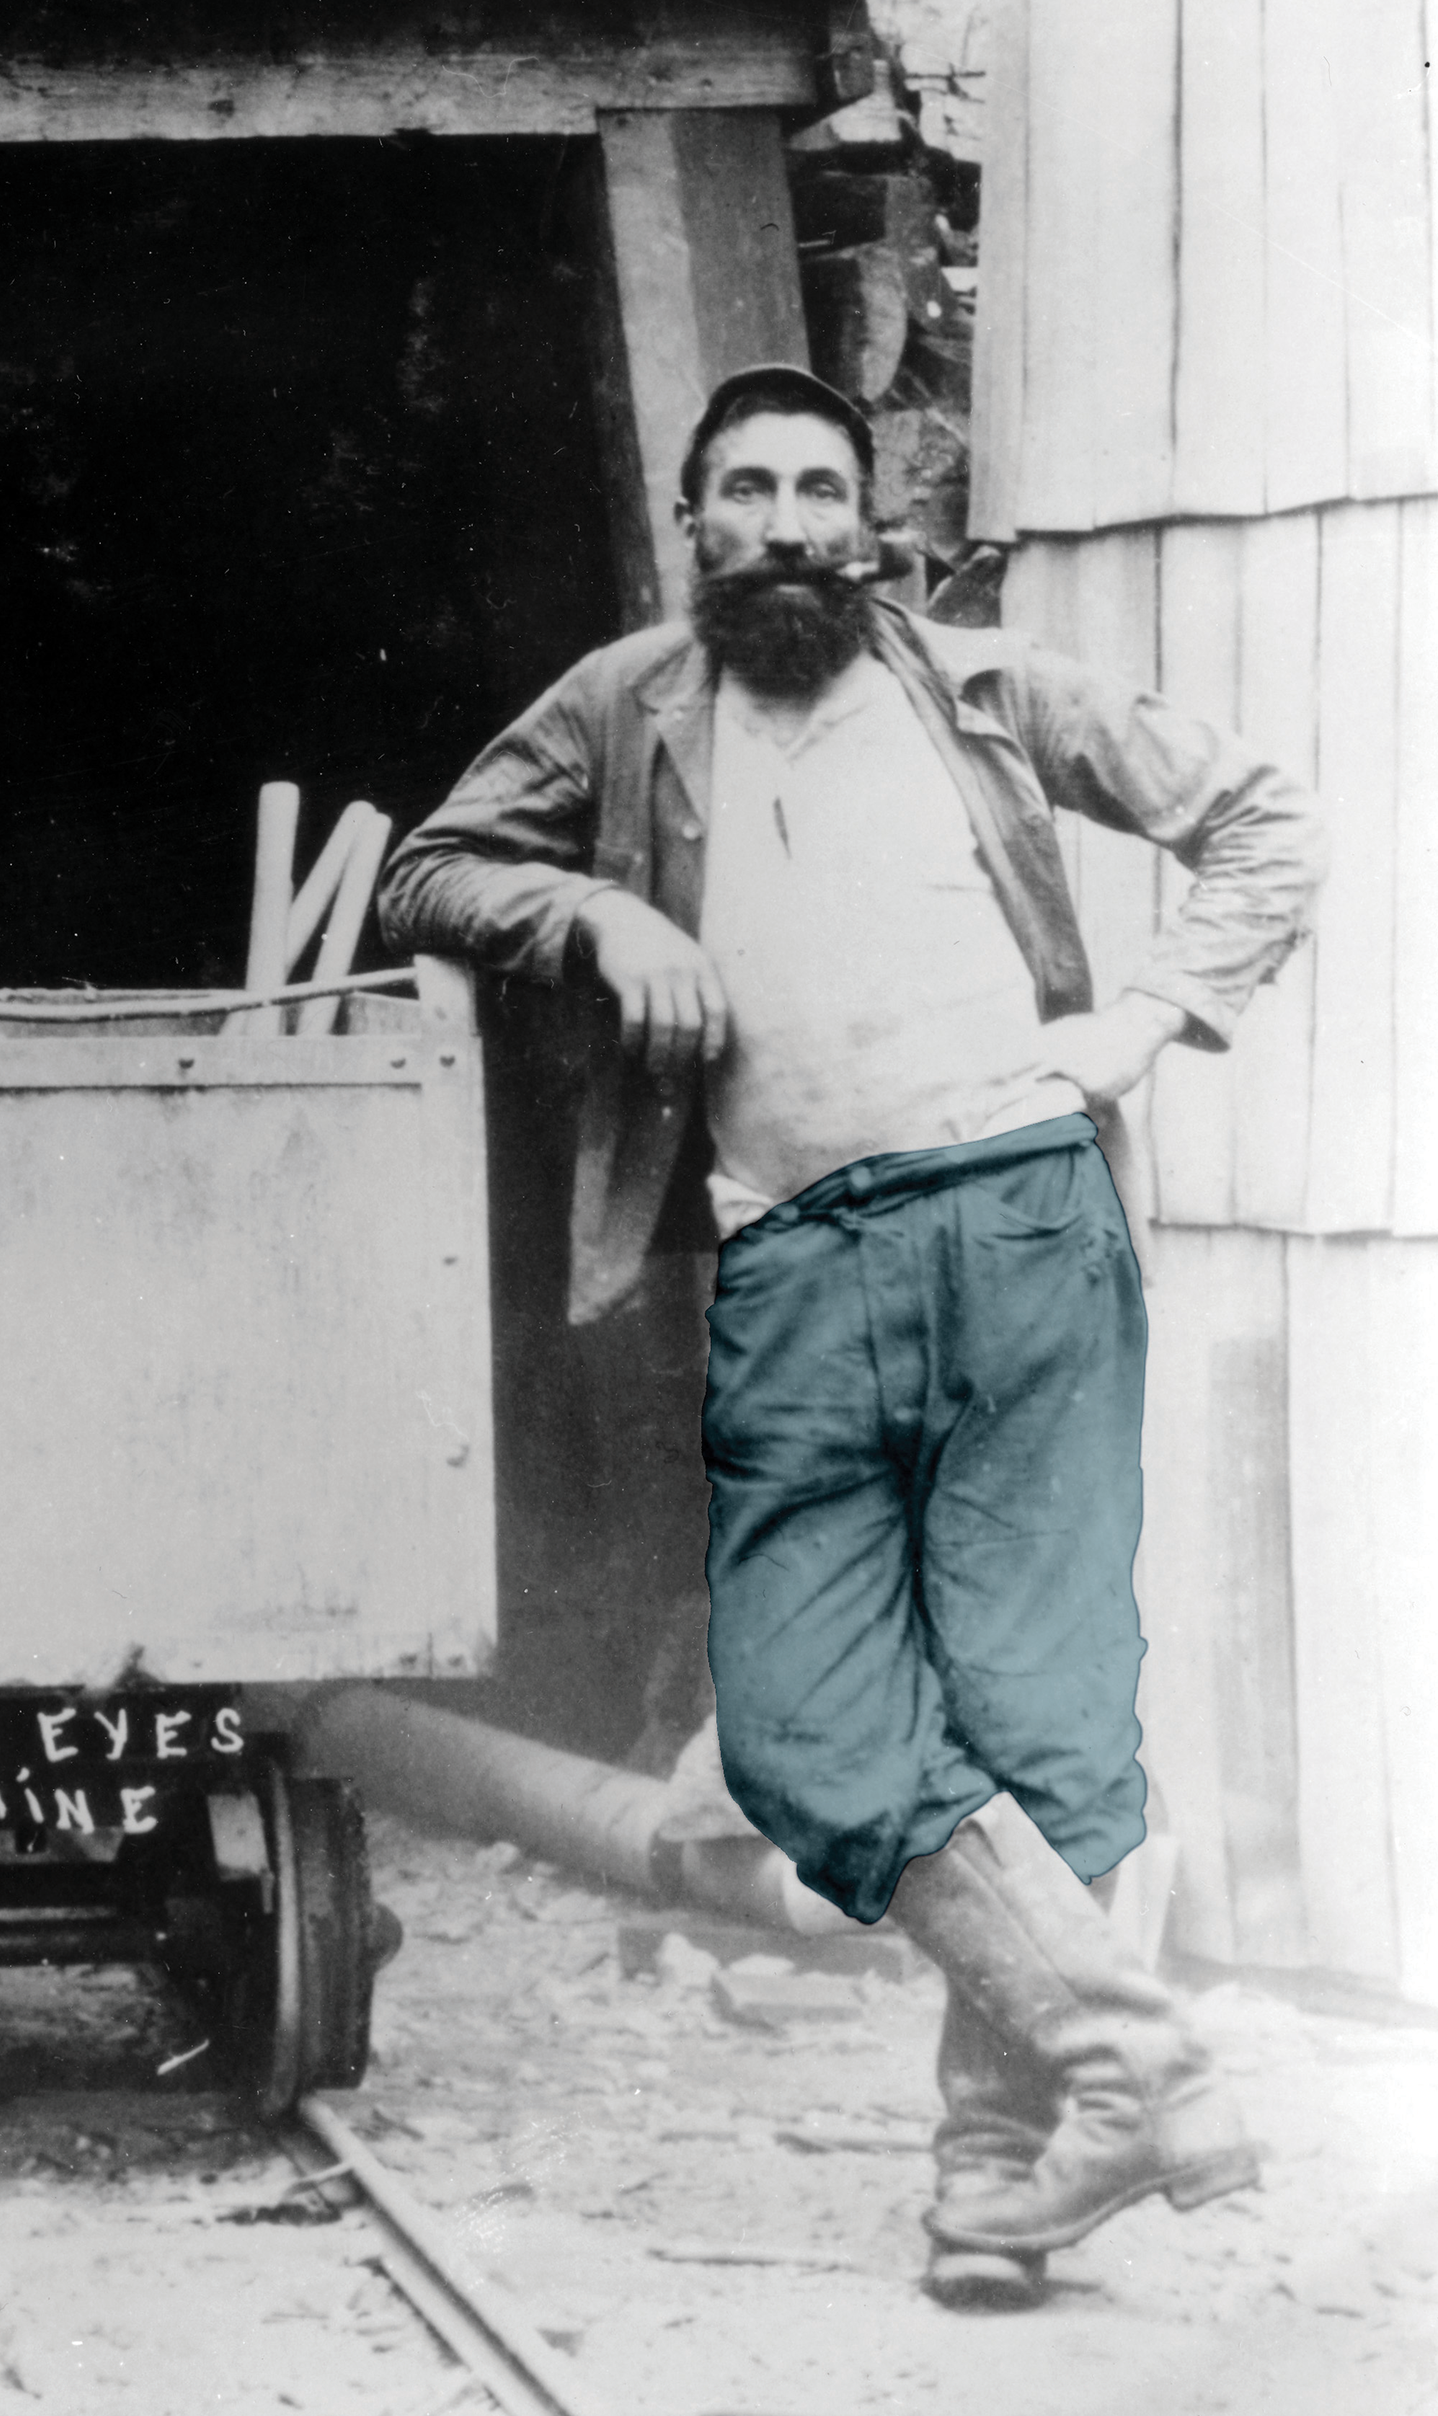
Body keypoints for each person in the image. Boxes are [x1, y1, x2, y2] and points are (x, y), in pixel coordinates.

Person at [378, 364, 1326, 2308]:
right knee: (805, 1716)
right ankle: (1134, 2060)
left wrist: (1141, 1020)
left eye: (822, 484)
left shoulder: (984, 688)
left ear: (868, 519)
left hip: (1021, 1228)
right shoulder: (624, 707)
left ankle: (992, 2171)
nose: (791, 519)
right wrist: (588, 916)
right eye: (749, 486)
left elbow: (1257, 818)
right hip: (790, 1265)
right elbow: (424, 867)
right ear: (691, 519)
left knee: (1040, 1712)